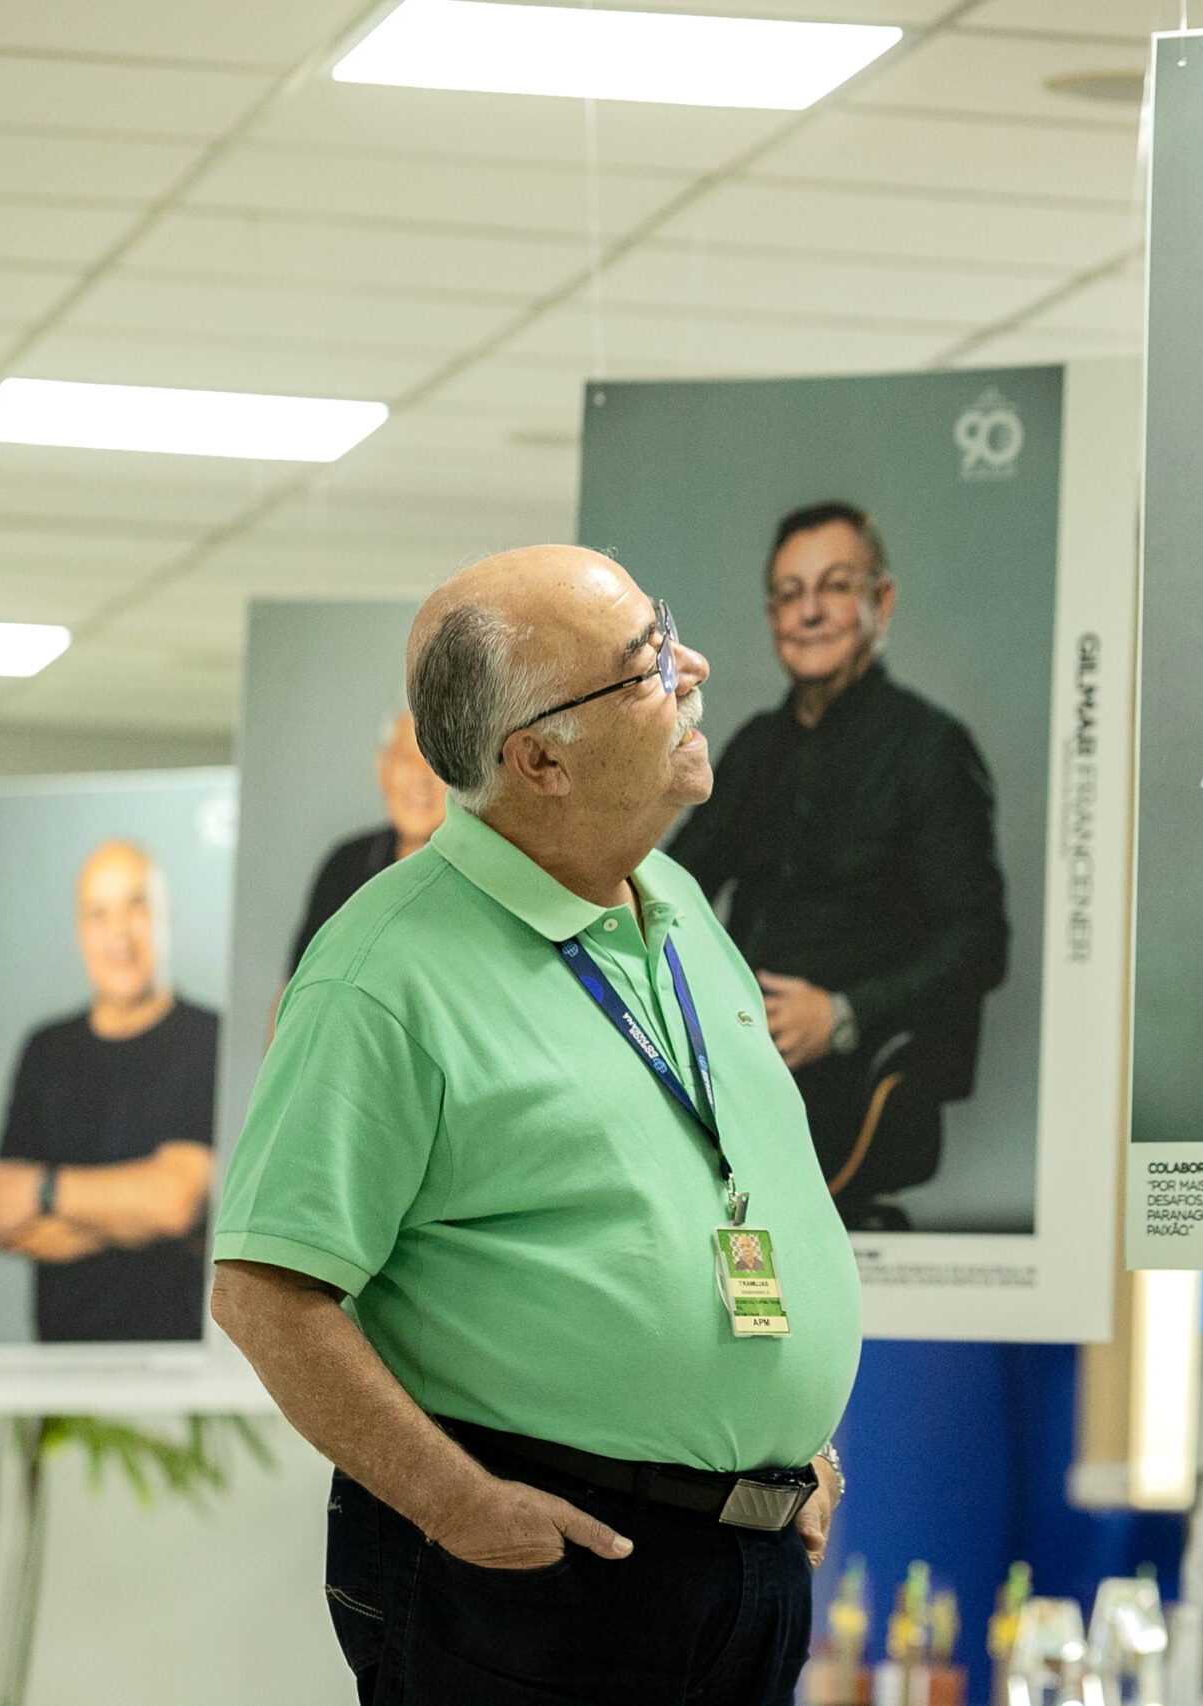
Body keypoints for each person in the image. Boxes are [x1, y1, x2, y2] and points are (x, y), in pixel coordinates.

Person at [211, 546, 859, 1706]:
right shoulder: (382, 973)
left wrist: (776, 1447)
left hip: (747, 1565)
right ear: (539, 757)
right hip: (538, 1571)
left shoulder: (681, 912)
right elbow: (267, 1292)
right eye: (648, 664)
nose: (696, 666)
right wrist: (457, 1500)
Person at [670, 502, 1010, 1232]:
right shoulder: (755, 748)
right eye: (789, 594)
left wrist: (842, 1016)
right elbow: (676, 883)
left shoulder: (929, 749)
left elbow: (981, 942)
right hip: (737, 1064)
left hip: (858, 1084)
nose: (810, 612)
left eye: (833, 586)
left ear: (879, 602)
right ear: (772, 617)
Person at [0, 840, 218, 1342]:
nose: (119, 936)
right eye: (98, 914)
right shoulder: (45, 1049)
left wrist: (45, 1192)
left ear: (166, 915)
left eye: (137, 906)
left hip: (177, 1364)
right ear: (79, 933)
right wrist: (136, 1210)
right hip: (59, 1370)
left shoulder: (209, 1038)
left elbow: (175, 1203)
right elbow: (3, 1215)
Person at [289, 708, 448, 973]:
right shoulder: (345, 866)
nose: (421, 778)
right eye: (407, 758)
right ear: (382, 766)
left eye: (434, 761)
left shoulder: (487, 876)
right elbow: (295, 990)